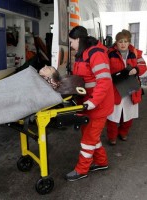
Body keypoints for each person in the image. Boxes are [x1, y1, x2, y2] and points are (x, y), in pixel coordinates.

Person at [65, 26, 114, 181]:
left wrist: (92, 102)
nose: (71, 45)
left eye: (71, 42)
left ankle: (82, 169)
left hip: (98, 105)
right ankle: (101, 162)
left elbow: (104, 81)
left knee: (88, 140)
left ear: (78, 39)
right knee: (91, 136)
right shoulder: (82, 55)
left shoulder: (96, 54)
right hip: (88, 104)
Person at [106, 29, 147, 145]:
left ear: (129, 42)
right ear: (116, 42)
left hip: (131, 88)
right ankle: (112, 137)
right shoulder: (109, 53)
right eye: (120, 41)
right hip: (115, 88)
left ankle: (123, 133)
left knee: (129, 114)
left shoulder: (135, 53)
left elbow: (143, 66)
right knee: (113, 115)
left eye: (125, 41)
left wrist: (137, 69)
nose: (123, 44)